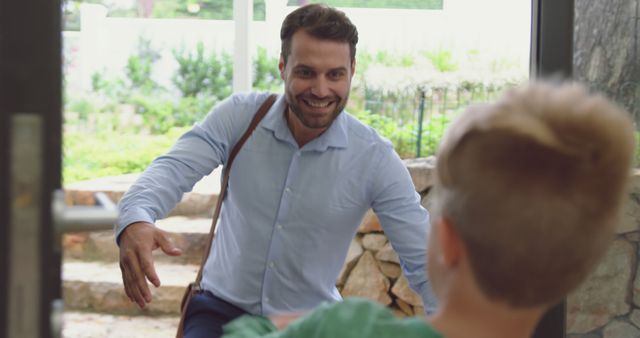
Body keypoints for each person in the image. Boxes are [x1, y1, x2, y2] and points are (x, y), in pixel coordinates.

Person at [220, 80, 636, 338]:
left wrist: (295, 325)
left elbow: (243, 333)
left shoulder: (350, 329)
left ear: (449, 242)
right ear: (578, 266)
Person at [116, 3, 435, 338]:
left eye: (335, 75)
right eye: (306, 72)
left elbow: (424, 260)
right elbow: (170, 170)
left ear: (352, 71)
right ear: (283, 67)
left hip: (310, 325)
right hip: (218, 315)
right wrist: (136, 217)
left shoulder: (374, 157)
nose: (321, 89)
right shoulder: (238, 118)